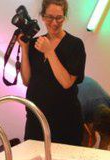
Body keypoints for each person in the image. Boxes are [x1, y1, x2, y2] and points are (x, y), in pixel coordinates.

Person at [18, 0, 86, 146]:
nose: (54, 23)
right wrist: (25, 48)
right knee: (34, 157)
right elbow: (27, 80)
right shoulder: (35, 43)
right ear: (42, 17)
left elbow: (66, 82)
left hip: (65, 121)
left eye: (59, 18)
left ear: (64, 17)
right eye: (50, 17)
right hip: (36, 118)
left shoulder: (75, 45)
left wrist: (49, 51)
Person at [78, 76, 110, 150]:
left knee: (100, 141)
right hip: (75, 85)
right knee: (86, 138)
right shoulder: (82, 108)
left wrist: (104, 144)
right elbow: (85, 136)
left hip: (88, 93)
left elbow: (107, 137)